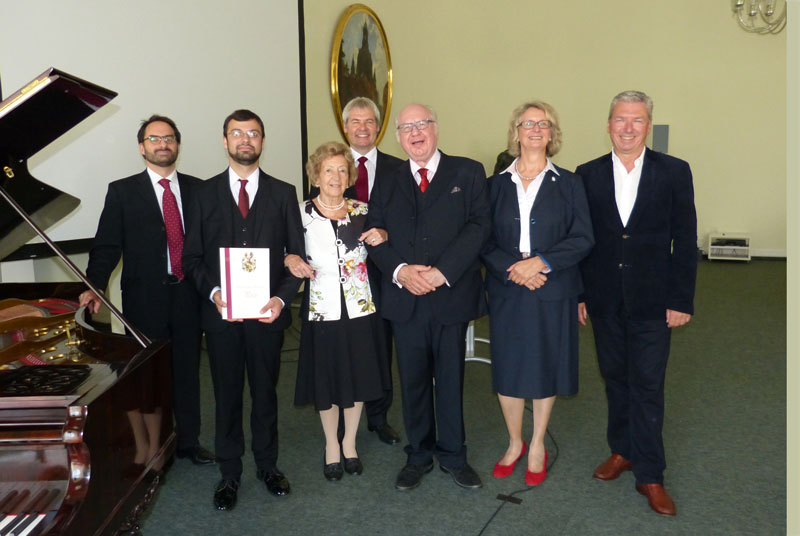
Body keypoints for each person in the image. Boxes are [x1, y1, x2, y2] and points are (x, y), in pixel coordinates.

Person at [576, 90, 697, 516]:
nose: (628, 128)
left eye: (637, 120)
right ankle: (622, 450)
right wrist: (580, 294)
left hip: (654, 299)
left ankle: (650, 473)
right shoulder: (587, 174)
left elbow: (685, 239)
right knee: (615, 378)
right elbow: (581, 240)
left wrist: (681, 299)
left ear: (648, 126)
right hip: (604, 298)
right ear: (608, 124)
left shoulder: (674, 171)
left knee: (647, 383)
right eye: (620, 119)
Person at [182, 109, 305, 511]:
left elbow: (296, 258)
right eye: (237, 133)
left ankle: (268, 466)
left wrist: (281, 299)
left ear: (262, 141)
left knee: (266, 395)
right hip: (223, 317)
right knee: (227, 396)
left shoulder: (283, 193)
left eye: (253, 133)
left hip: (268, 318)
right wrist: (216, 293)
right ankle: (229, 473)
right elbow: (191, 258)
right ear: (225, 141)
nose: (245, 140)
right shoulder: (203, 194)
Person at [366, 103, 491, 490]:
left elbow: (479, 226)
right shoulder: (387, 179)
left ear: (436, 128)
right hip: (405, 298)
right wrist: (401, 271)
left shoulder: (467, 172)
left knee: (450, 378)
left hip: (450, 295)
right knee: (413, 381)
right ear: (398, 137)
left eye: (422, 124)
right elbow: (373, 233)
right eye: (406, 128)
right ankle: (418, 454)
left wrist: (441, 272)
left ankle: (453, 454)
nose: (415, 133)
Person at [80, 115, 214, 467]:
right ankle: (159, 443)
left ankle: (189, 441)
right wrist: (95, 285)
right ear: (142, 147)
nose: (162, 144)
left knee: (187, 370)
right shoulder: (122, 191)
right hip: (144, 298)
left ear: (178, 144)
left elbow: (212, 244)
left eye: (168, 138)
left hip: (189, 294)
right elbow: (107, 245)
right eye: (154, 139)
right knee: (149, 374)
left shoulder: (199, 189)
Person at [482, 102, 594, 486]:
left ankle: (537, 444)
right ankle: (515, 442)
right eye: (527, 123)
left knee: (546, 364)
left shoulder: (570, 184)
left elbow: (582, 237)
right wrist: (515, 269)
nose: (534, 129)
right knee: (508, 367)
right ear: (516, 132)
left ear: (551, 134)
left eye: (543, 124)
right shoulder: (493, 185)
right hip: (508, 287)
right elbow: (482, 238)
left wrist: (541, 262)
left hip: (552, 286)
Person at [285, 141, 391, 481]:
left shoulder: (363, 211)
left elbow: (385, 244)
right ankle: (332, 443)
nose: (335, 176)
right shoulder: (300, 213)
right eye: (328, 169)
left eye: (342, 170)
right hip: (321, 309)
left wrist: (385, 233)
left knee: (358, 376)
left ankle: (350, 442)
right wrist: (289, 257)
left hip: (360, 308)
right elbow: (284, 250)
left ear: (350, 177)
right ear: (316, 176)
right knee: (327, 378)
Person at [308, 97, 403, 446]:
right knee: (341, 351)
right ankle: (339, 425)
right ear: (345, 127)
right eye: (355, 122)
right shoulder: (328, 168)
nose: (363, 128)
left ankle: (379, 416)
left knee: (380, 347)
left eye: (369, 122)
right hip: (338, 282)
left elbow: (404, 222)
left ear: (378, 127)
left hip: (385, 273)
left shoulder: (398, 168)